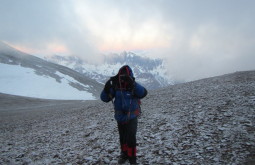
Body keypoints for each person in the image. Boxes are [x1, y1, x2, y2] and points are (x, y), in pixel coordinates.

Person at [100, 65, 147, 164]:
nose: (122, 78)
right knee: (123, 137)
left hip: (132, 116)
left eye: (125, 76)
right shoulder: (116, 85)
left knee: (131, 138)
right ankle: (124, 154)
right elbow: (104, 99)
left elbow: (143, 93)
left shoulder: (132, 85)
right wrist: (106, 89)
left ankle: (132, 158)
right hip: (120, 117)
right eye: (121, 75)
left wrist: (132, 83)